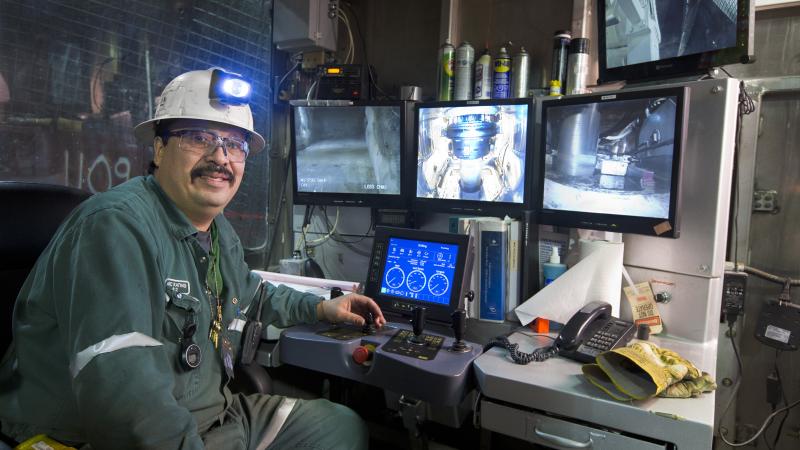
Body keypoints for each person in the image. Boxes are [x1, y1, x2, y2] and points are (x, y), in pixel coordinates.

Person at [0, 68, 386, 449]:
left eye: (235, 145)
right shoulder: (115, 228)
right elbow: (127, 404)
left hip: (213, 419)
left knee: (339, 427)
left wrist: (323, 309)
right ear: (159, 147)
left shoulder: (218, 234)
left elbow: (253, 296)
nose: (220, 157)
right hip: (87, 437)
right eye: (199, 138)